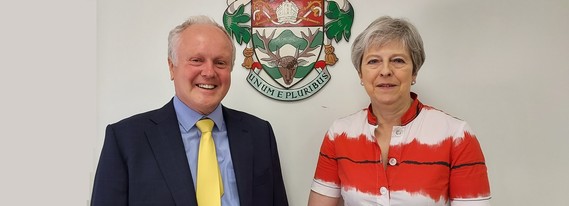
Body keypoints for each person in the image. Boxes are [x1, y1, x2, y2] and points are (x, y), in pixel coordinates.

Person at [91, 15, 288, 206]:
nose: (209, 72)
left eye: (220, 62)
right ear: (171, 67)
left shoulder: (260, 134)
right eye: (196, 60)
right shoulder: (126, 139)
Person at [308, 16, 491, 205]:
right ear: (360, 74)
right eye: (373, 61)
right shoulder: (339, 134)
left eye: (397, 60)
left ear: (414, 72)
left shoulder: (456, 135)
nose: (385, 71)